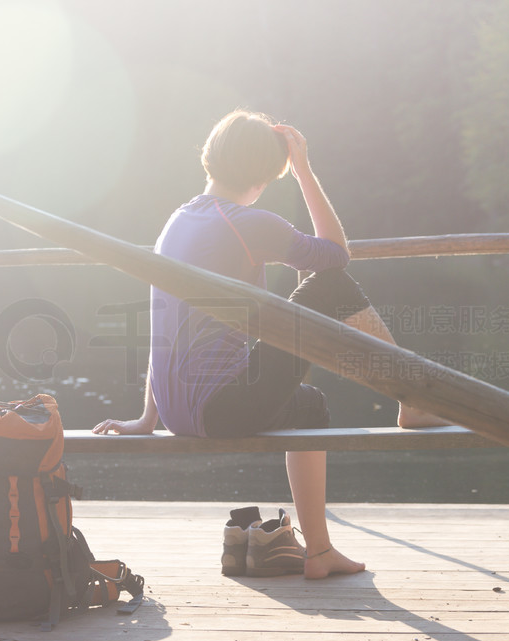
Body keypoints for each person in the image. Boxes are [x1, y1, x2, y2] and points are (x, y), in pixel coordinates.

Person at [93, 110, 446, 579]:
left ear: (212, 157)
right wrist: (304, 169)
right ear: (265, 174)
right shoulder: (246, 222)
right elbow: (336, 255)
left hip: (178, 411)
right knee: (332, 283)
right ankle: (413, 400)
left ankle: (320, 551)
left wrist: (147, 418)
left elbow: (166, 323)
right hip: (220, 407)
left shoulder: (178, 221)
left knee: (310, 406)